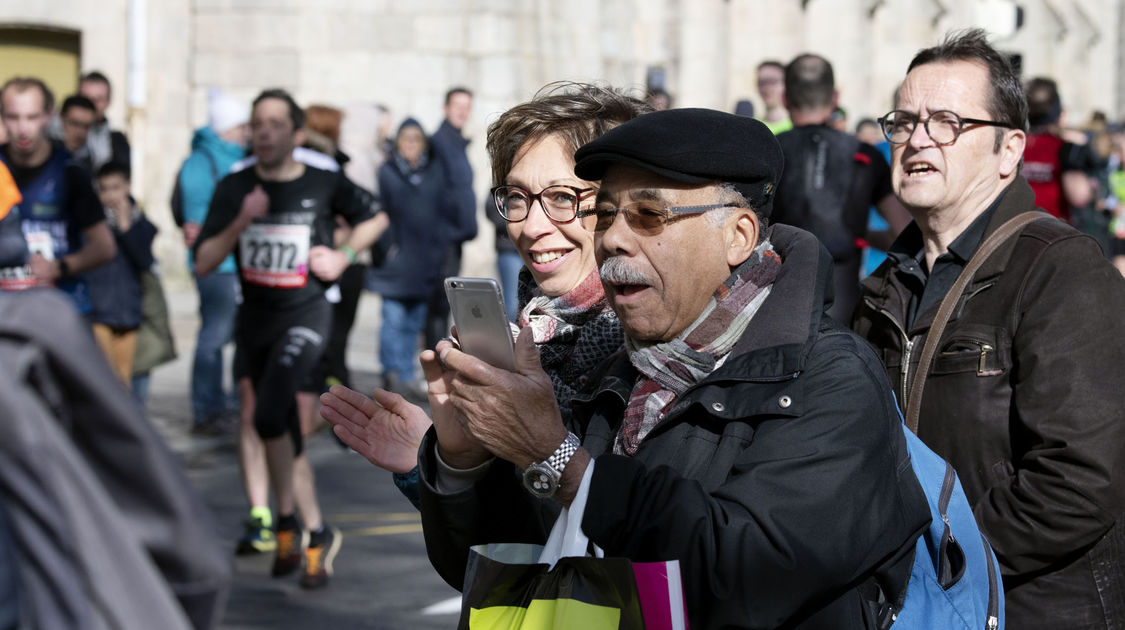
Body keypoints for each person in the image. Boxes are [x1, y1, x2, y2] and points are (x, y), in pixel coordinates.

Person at [417, 107, 930, 628]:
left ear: (738, 235)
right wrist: (463, 460)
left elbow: (748, 574)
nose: (614, 239)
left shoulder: (831, 378)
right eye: (607, 214)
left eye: (648, 215)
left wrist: (562, 461)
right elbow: (523, 565)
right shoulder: (619, 368)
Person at [852, 29, 1125, 628]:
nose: (918, 139)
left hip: (1036, 607)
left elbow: (1081, 480)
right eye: (904, 121)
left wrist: (938, 560)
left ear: (1009, 150)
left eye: (946, 122)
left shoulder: (1060, 269)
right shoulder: (881, 290)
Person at [321, 83, 648, 506]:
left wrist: (548, 449)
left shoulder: (660, 349)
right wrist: (449, 460)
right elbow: (509, 553)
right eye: (516, 198)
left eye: (563, 197)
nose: (530, 227)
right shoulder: (535, 336)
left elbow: (655, 540)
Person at [194, 88, 387, 589]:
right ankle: (307, 527)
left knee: (270, 410)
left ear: (297, 134)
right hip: (255, 319)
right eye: (258, 123)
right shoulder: (235, 188)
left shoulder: (323, 182)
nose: (264, 132)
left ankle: (293, 525)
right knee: (273, 422)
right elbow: (202, 261)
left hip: (306, 314)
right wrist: (242, 219)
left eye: (277, 123)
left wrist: (342, 254)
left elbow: (377, 217)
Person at [772, 54, 909, 322]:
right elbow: (901, 232)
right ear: (835, 98)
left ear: (785, 98)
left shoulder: (770, 152)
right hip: (841, 309)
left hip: (775, 306)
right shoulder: (864, 155)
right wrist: (861, 234)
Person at [0, 77, 115, 309]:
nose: (23, 129)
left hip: (60, 309)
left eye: (32, 117)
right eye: (13, 117)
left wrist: (59, 267)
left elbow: (104, 247)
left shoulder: (70, 172)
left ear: (48, 115)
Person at [179, 87, 250, 435]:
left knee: (235, 336)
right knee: (214, 336)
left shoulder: (234, 156)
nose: (247, 132)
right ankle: (206, 409)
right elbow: (197, 223)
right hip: (217, 267)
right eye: (242, 126)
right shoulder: (202, 161)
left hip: (239, 263)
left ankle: (233, 404)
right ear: (227, 128)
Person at [365, 118, 450, 401]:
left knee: (414, 323)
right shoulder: (388, 171)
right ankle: (391, 374)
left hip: (424, 260)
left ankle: (405, 375)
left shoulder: (433, 172)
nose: (411, 146)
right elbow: (381, 213)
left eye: (416, 140)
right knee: (393, 320)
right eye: (406, 140)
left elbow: (441, 212)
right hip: (396, 261)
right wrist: (388, 248)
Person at [87, 162, 156, 387]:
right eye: (103, 189)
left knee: (124, 381)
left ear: (127, 187)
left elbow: (144, 260)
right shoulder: (90, 225)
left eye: (115, 188)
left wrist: (126, 226)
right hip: (98, 312)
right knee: (103, 380)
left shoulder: (140, 222)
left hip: (129, 312)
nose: (109, 195)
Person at [424, 86, 478, 352]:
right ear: (446, 108)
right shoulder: (439, 142)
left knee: (445, 303)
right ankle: (434, 358)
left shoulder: (456, 142)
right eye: (457, 105)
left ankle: (437, 354)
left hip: (455, 238)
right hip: (442, 237)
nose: (462, 111)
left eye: (467, 106)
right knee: (437, 304)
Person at [1021, 76, 1094, 223]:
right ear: (1057, 110)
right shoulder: (1065, 146)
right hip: (1052, 230)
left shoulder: (1015, 142)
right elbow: (1079, 197)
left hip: (1015, 225)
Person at [77, 71, 130, 172]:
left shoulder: (118, 143)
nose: (91, 105)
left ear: (108, 102)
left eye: (98, 99)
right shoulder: (60, 137)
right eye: (86, 98)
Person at [56, 94, 97, 174]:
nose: (80, 132)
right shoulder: (42, 155)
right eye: (74, 123)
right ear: (61, 118)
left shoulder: (91, 160)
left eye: (86, 126)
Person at [756, 60, 792, 134]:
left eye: (773, 82)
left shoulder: (794, 126)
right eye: (762, 83)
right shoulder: (754, 125)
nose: (767, 88)